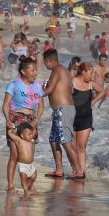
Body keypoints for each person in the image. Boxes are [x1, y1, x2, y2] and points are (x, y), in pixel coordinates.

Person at [2, 56, 44, 193]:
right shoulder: (14, 85)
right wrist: (8, 120)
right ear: (23, 71)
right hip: (15, 119)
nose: (35, 73)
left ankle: (28, 184)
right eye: (32, 70)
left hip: (31, 121)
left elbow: (41, 106)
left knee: (29, 153)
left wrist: (36, 120)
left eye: (36, 70)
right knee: (14, 155)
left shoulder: (38, 86)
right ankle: (10, 185)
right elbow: (5, 105)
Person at [42, 49, 83, 179]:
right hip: (64, 109)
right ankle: (59, 169)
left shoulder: (56, 71)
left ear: (48, 60)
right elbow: (71, 90)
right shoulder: (64, 70)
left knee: (65, 141)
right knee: (53, 140)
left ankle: (78, 171)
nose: (44, 65)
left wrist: (34, 91)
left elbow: (49, 90)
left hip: (62, 110)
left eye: (44, 62)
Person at [72, 62, 106, 176]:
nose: (92, 76)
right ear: (83, 72)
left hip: (86, 119)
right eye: (91, 73)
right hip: (71, 118)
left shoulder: (91, 84)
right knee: (72, 147)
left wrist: (93, 101)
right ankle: (75, 170)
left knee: (81, 146)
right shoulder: (72, 82)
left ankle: (81, 172)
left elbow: (103, 91)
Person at [7, 122, 38, 196]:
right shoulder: (19, 141)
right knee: (23, 178)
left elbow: (34, 133)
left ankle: (28, 186)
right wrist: (10, 128)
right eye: (29, 134)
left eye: (31, 134)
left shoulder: (31, 141)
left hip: (31, 164)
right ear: (22, 135)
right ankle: (26, 190)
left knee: (34, 176)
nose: (31, 136)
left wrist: (34, 126)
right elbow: (10, 134)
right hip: (23, 165)